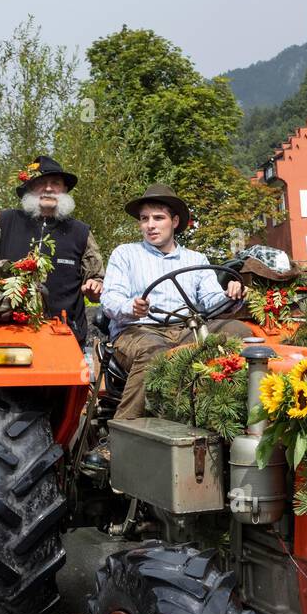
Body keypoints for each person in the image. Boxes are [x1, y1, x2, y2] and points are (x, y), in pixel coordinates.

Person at [85, 185, 247, 468]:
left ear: (174, 221)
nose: (150, 225)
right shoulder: (126, 254)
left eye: (157, 218)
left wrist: (230, 294)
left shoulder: (196, 260)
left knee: (241, 333)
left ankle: (240, 422)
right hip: (137, 330)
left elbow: (210, 301)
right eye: (144, 219)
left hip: (186, 330)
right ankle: (118, 440)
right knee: (155, 352)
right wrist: (130, 307)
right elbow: (110, 299)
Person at [0, 155, 105, 346]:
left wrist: (95, 286)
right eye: (41, 183)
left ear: (65, 190)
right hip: (8, 332)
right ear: (29, 189)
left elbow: (96, 279)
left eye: (55, 183)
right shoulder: (5, 221)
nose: (49, 188)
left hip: (66, 335)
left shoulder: (80, 232)